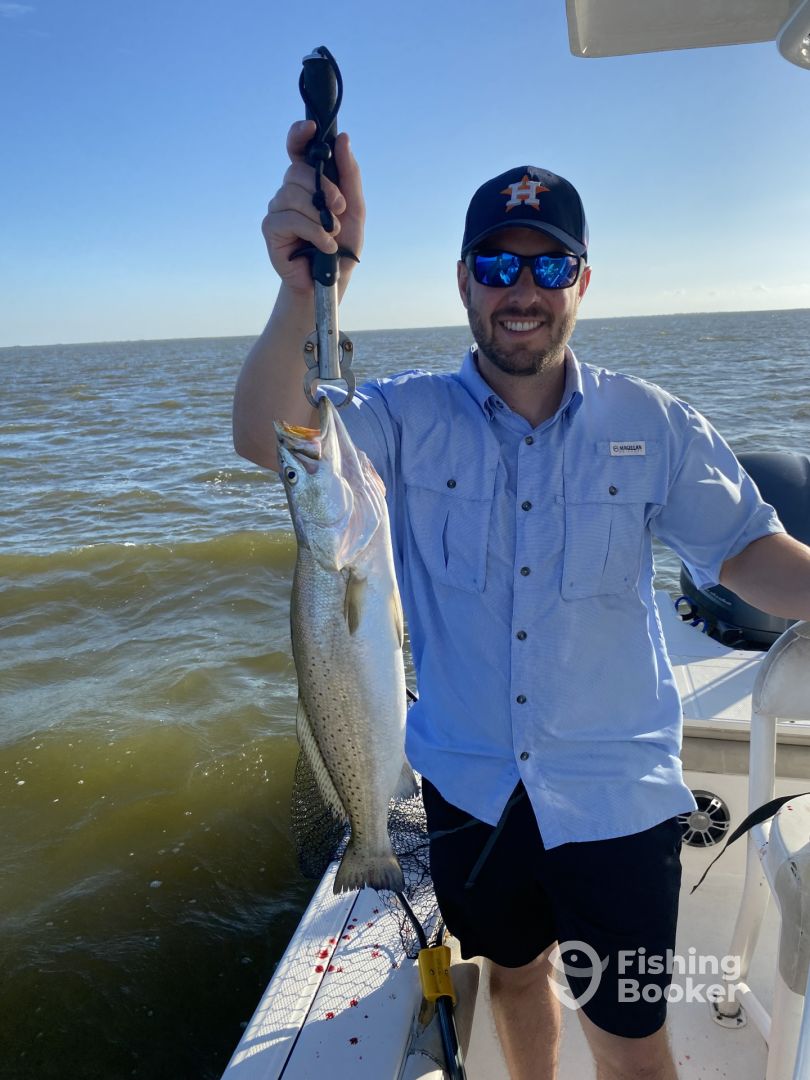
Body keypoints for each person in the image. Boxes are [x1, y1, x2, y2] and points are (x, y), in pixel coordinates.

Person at [233, 120, 810, 1080]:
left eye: (551, 266)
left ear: (583, 281)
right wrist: (306, 291)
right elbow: (273, 439)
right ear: (465, 281)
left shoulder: (653, 421)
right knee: (511, 974)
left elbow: (749, 551)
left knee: (632, 1046)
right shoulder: (400, 419)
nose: (523, 290)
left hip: (617, 800)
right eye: (498, 265)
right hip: (471, 793)